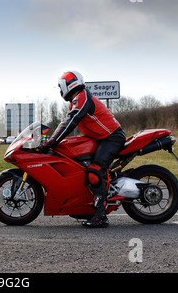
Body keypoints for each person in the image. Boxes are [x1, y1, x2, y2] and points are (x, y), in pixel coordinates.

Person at [40, 71, 126, 228]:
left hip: (112, 138)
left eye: (61, 87)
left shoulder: (82, 97)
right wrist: (54, 139)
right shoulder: (76, 100)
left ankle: (100, 217)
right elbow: (67, 121)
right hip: (101, 138)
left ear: (69, 84)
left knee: (94, 172)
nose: (60, 91)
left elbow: (72, 121)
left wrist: (53, 141)